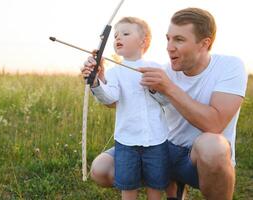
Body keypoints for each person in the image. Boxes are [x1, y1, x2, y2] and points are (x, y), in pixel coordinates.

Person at [89, 8, 248, 200]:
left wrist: (168, 88)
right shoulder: (161, 71)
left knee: (214, 146)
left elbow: (214, 124)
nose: (169, 47)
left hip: (198, 158)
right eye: (168, 38)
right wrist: (99, 80)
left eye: (179, 40)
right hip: (161, 148)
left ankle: (178, 181)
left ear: (204, 44)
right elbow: (119, 101)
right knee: (100, 169)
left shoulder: (230, 67)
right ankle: (172, 180)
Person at [82, 17, 170, 200]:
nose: (117, 38)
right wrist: (96, 81)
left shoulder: (156, 68)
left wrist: (154, 88)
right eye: (115, 36)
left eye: (125, 33)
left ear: (143, 41)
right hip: (127, 142)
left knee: (156, 185)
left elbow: (166, 100)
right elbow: (109, 97)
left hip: (156, 140)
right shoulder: (115, 72)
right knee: (128, 186)